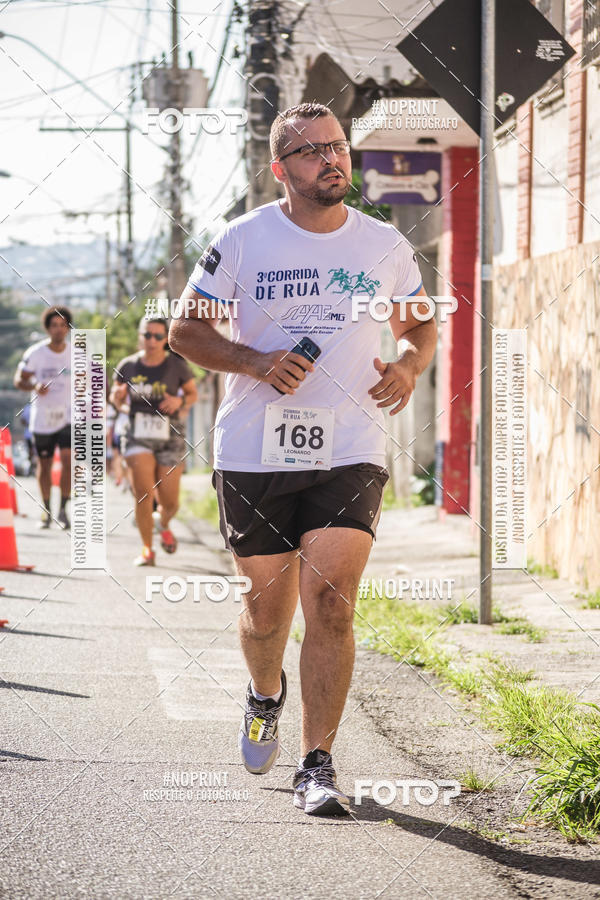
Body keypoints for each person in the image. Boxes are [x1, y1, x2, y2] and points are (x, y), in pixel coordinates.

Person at [169, 102, 437, 817]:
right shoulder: (244, 239)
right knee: (266, 612)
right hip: (256, 450)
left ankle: (317, 763)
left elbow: (419, 325)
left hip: (350, 445)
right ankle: (264, 694)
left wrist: (409, 367)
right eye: (313, 151)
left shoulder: (384, 245)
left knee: (331, 604)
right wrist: (255, 360)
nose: (332, 159)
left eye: (338, 146)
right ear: (280, 169)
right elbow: (184, 331)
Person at [110, 316, 198, 566]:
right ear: (140, 336)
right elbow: (116, 399)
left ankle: (164, 522)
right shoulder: (128, 366)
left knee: (170, 502)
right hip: (137, 432)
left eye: (158, 336)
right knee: (143, 494)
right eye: (147, 335)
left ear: (165, 340)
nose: (152, 341)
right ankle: (147, 549)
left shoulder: (177, 366)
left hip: (170, 435)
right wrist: (118, 399)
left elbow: (192, 394)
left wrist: (179, 401)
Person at [14, 306, 73, 529]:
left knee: (68, 461)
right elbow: (19, 380)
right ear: (47, 328)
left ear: (68, 328)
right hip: (43, 418)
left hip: (68, 416)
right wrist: (34, 385)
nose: (58, 329)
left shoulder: (77, 354)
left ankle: (63, 510)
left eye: (63, 325)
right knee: (45, 465)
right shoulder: (36, 353)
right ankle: (47, 509)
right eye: (54, 325)